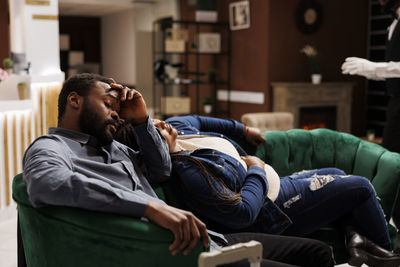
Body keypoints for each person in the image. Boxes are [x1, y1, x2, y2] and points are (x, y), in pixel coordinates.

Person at [23, 73, 335, 267]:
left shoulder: (114, 147)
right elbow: (48, 184)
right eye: (108, 104)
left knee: (318, 253)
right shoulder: (51, 147)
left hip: (214, 240)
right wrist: (149, 207)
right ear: (74, 100)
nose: (116, 115)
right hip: (179, 254)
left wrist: (142, 122)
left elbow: (160, 169)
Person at [113, 114, 400, 267]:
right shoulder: (189, 172)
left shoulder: (178, 127)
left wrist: (243, 129)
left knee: (337, 176)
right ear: (149, 147)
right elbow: (242, 213)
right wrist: (257, 169)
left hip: (277, 186)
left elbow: (201, 120)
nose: (160, 124)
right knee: (360, 187)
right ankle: (386, 256)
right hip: (271, 209)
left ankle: (360, 244)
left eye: (153, 121)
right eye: (153, 131)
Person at [341, 0, 400, 153]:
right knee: (391, 159)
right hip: (395, 103)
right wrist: (371, 72)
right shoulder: (393, 24)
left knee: (390, 160)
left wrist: (375, 68)